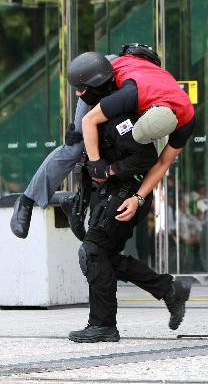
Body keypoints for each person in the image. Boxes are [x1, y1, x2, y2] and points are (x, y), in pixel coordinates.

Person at [10, 44, 195, 237]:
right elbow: (89, 120)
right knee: (76, 145)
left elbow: (163, 163)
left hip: (141, 83)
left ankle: (80, 202)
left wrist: (138, 198)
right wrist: (96, 163)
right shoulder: (130, 94)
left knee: (120, 142)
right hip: (101, 72)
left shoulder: (187, 121)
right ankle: (27, 201)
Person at [66, 109, 190, 343]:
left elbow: (147, 159)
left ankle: (103, 325)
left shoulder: (120, 120)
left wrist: (110, 171)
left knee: (93, 253)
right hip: (113, 194)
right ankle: (169, 290)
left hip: (128, 194)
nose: (80, 94)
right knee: (103, 258)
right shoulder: (94, 118)